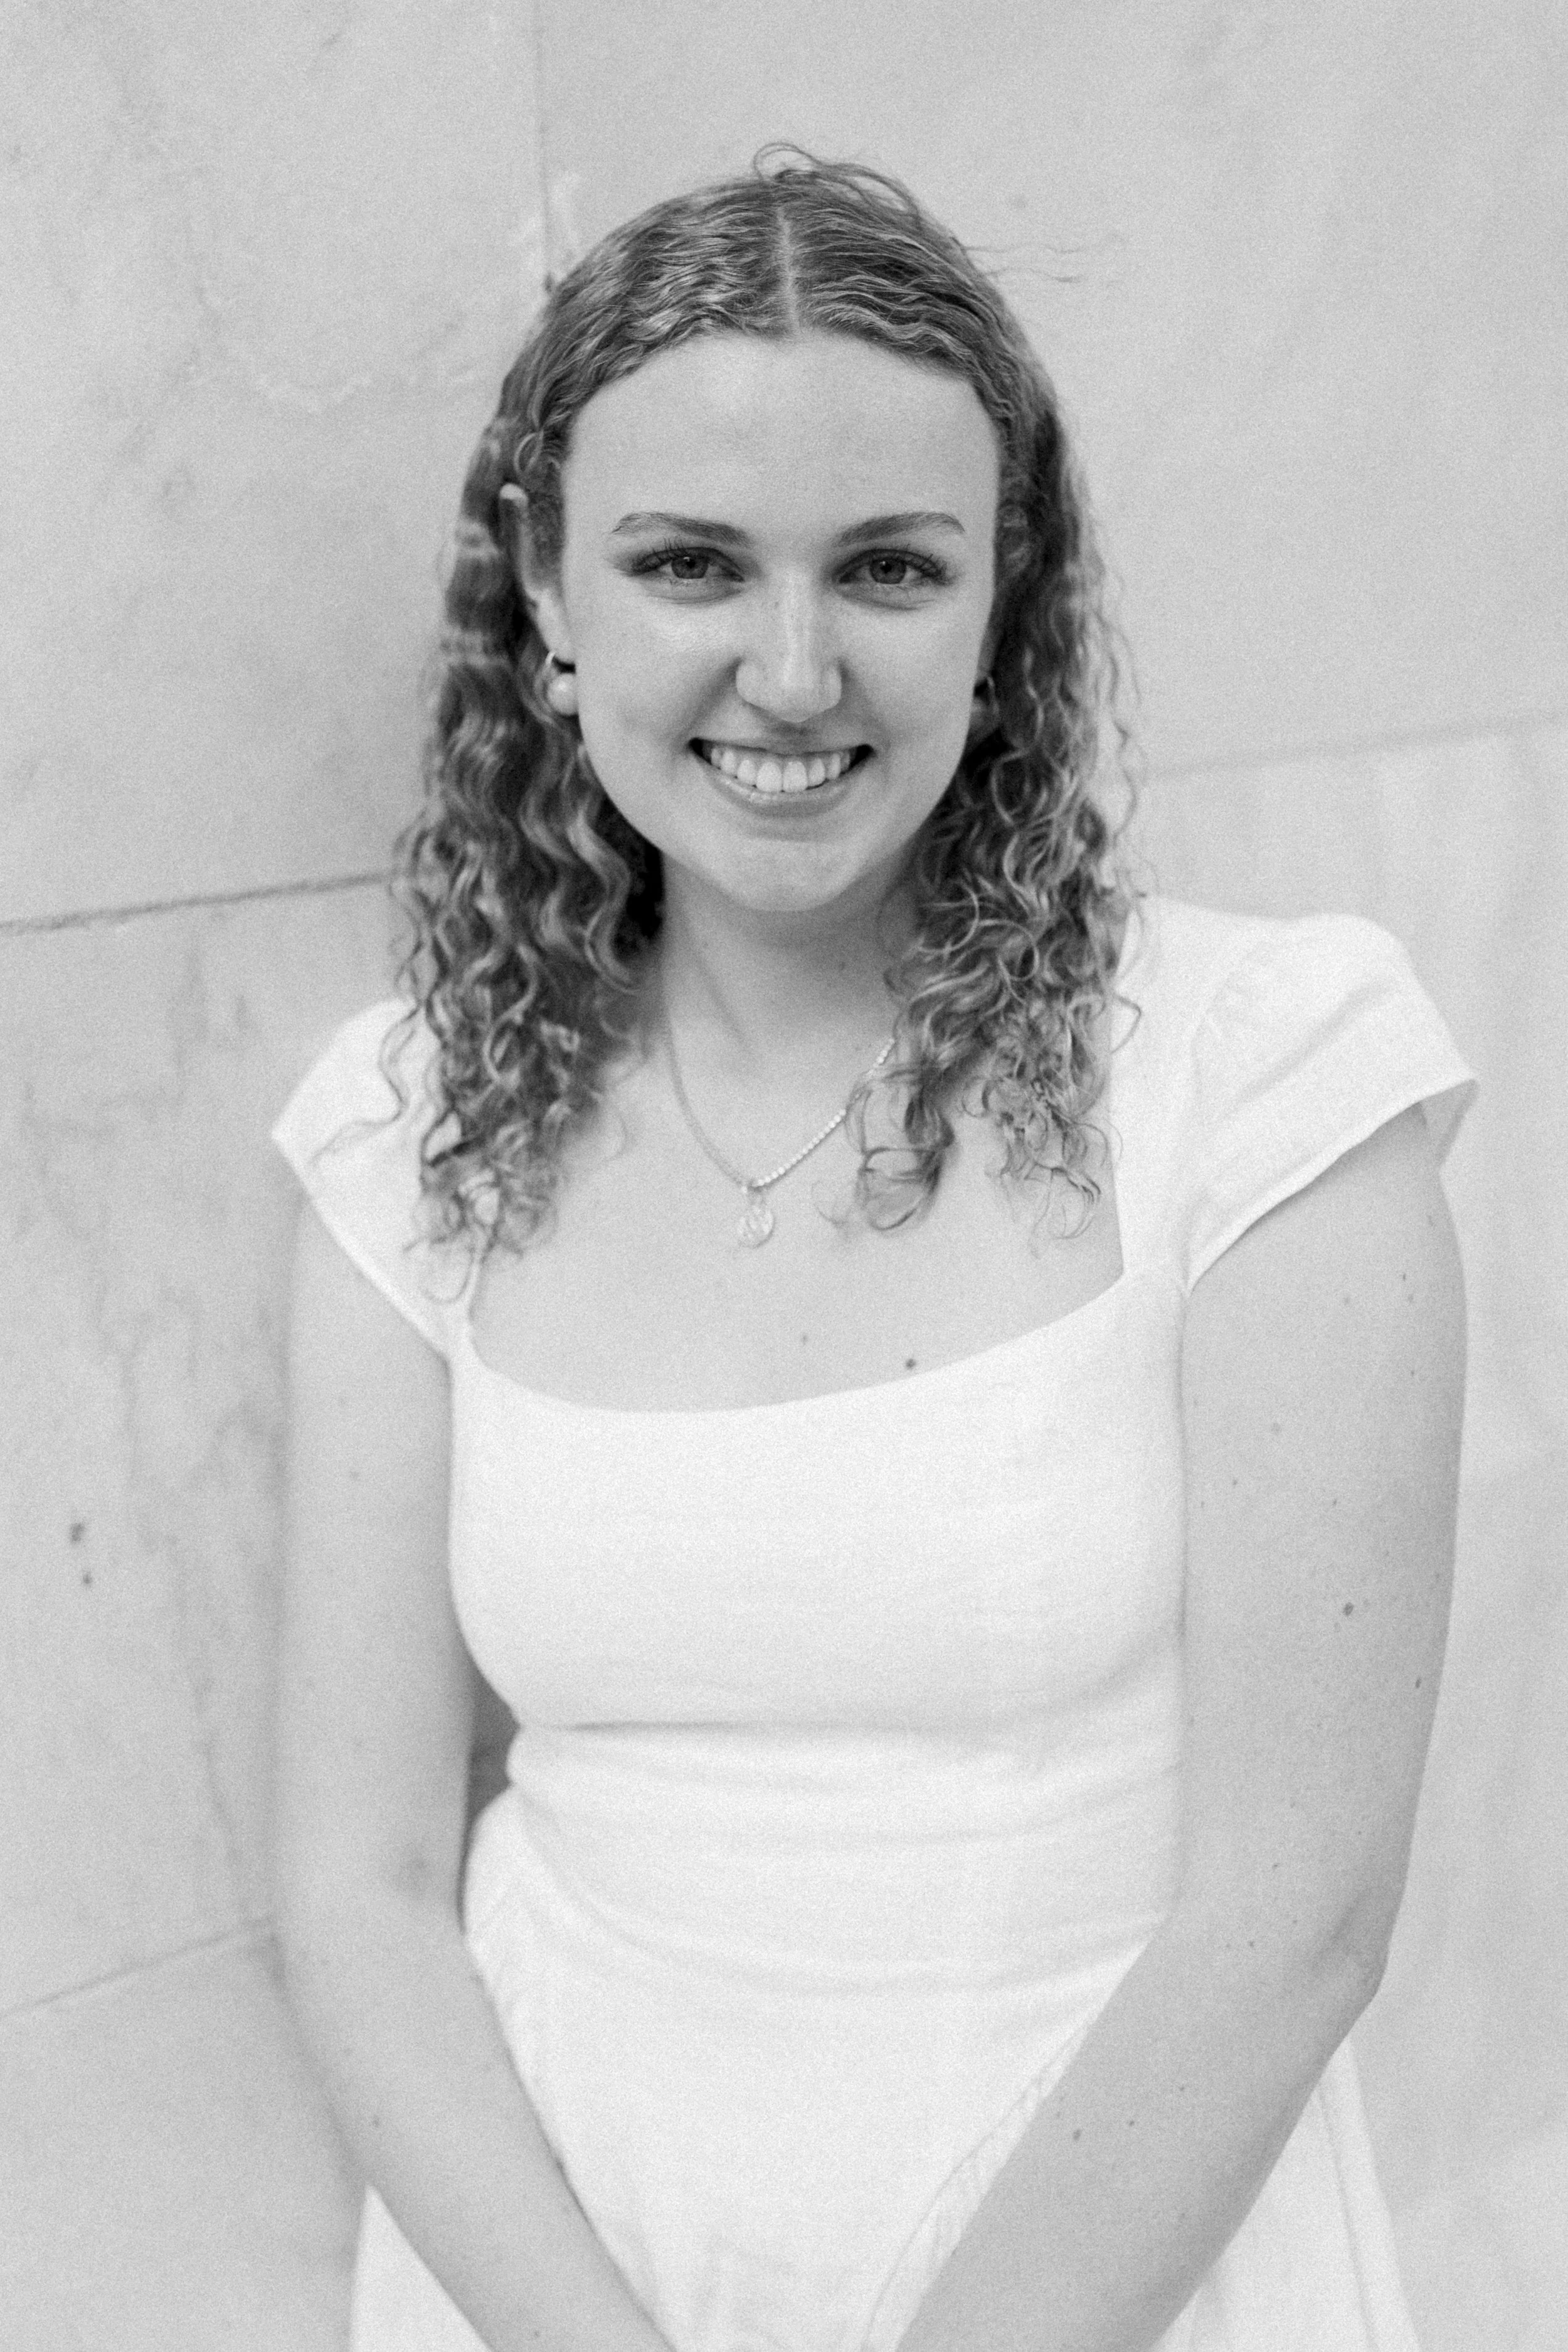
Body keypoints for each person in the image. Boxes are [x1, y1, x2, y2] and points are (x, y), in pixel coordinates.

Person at [271, 154, 1475, 2352]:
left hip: (1104, 2274)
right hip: (546, 2276)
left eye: (891, 568)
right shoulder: (401, 1126)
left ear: (1004, 609)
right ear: (549, 594)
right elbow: (354, 1893)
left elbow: (1292, 1917)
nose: (792, 665)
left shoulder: (1262, 1076)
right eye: (688, 563)